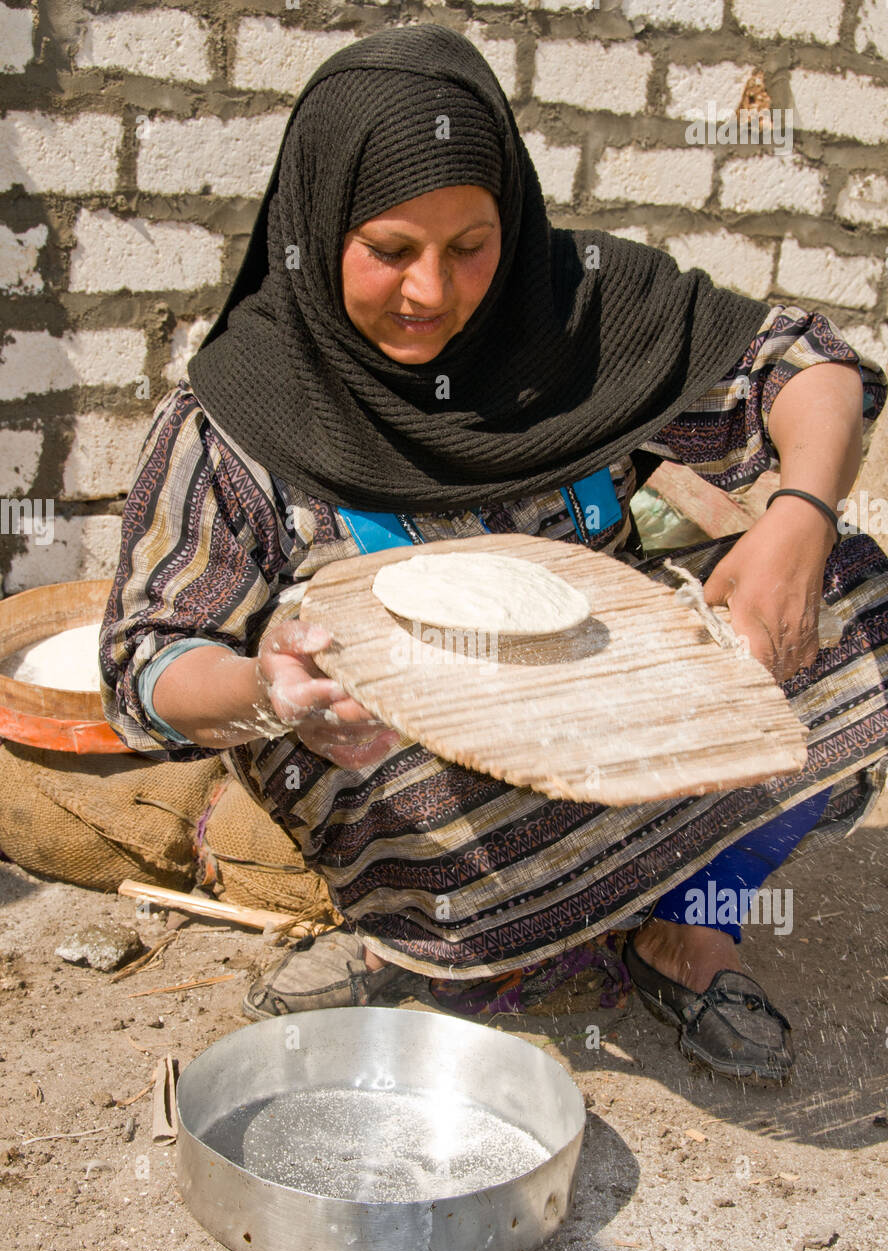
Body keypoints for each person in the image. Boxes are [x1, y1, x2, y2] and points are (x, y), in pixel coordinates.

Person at [99, 24, 888, 1085]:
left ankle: (688, 927)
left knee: (854, 610)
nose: (432, 292)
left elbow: (805, 359)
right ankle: (422, 945)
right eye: (389, 251)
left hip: (606, 702)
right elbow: (147, 661)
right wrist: (264, 690)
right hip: (411, 771)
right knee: (414, 792)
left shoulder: (573, 313)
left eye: (471, 247)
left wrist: (800, 513)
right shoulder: (238, 414)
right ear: (317, 225)